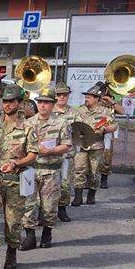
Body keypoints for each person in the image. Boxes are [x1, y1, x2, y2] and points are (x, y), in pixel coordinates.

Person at [0, 86, 38, 269]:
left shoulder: (28, 126)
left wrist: (16, 164)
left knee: (13, 221)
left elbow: (33, 155)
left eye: (11, 101)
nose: (7, 105)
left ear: (20, 103)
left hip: (15, 179)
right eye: (5, 101)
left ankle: (11, 253)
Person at [21, 86, 72, 251]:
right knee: (28, 204)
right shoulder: (28, 123)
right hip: (31, 169)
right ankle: (29, 236)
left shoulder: (61, 123)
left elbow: (67, 145)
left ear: (53, 104)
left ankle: (46, 233)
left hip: (51, 170)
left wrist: (51, 150)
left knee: (49, 205)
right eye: (40, 102)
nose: (42, 105)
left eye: (46, 103)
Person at [71, 84, 117, 206]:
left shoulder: (105, 111)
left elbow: (114, 126)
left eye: (89, 97)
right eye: (86, 97)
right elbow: (72, 125)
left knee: (94, 171)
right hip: (81, 145)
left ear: (97, 98)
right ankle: (78, 197)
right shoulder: (79, 110)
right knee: (78, 169)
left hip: (96, 146)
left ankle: (91, 196)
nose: (86, 99)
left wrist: (104, 129)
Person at [53, 84, 78, 221]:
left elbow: (82, 131)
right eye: (59, 94)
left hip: (67, 154)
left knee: (65, 182)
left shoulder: (74, 113)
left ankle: (62, 208)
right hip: (50, 155)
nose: (62, 97)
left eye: (65, 94)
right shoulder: (49, 111)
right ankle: (45, 210)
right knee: (47, 183)